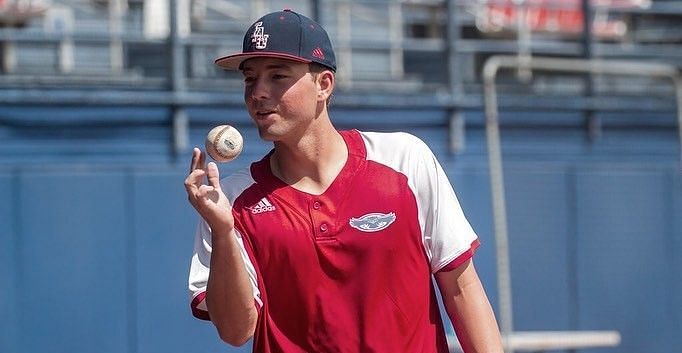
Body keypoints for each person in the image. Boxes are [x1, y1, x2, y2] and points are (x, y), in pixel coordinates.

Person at [185, 9, 504, 353]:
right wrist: (222, 231)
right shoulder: (229, 200)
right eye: (250, 78)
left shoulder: (405, 159)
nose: (258, 92)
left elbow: (462, 289)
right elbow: (235, 331)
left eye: (277, 76)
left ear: (323, 85)